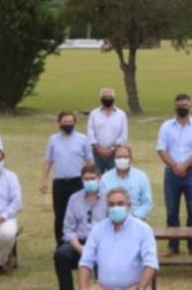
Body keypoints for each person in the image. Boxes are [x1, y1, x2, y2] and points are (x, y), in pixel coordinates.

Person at [155, 93, 192, 257]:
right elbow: (161, 149)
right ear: (174, 106)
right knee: (172, 211)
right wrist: (174, 165)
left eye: (185, 105)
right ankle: (173, 246)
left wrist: (184, 165)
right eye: (179, 105)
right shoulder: (166, 126)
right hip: (171, 173)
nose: (182, 108)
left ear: (190, 106)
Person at [52, 164, 108, 290]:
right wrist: (78, 247)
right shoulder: (74, 199)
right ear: (82, 180)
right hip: (80, 242)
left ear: (99, 179)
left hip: (102, 243)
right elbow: (68, 228)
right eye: (86, 179)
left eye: (93, 178)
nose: (89, 181)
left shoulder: (109, 198)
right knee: (61, 255)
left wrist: (95, 247)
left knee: (103, 258)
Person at [40, 110, 92, 244]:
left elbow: (89, 161)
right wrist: (44, 181)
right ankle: (61, 244)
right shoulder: (53, 140)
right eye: (65, 122)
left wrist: (92, 178)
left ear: (74, 123)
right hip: (60, 183)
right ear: (59, 123)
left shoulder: (83, 139)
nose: (67, 124)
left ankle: (80, 241)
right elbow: (48, 161)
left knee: (79, 212)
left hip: (77, 182)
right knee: (60, 214)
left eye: (70, 122)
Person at [100, 145, 154, 221]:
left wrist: (134, 216)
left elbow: (147, 203)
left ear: (130, 159)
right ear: (114, 159)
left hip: (136, 220)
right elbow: (102, 203)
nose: (122, 159)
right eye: (119, 157)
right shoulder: (105, 178)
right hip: (111, 219)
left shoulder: (141, 177)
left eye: (125, 157)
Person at [87, 87, 128, 172]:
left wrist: (112, 149)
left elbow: (123, 134)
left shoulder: (121, 114)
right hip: (97, 153)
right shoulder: (94, 114)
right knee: (97, 178)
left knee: (114, 178)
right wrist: (99, 149)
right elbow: (90, 132)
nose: (107, 99)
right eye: (105, 97)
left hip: (115, 153)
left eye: (110, 97)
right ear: (101, 98)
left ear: (114, 98)